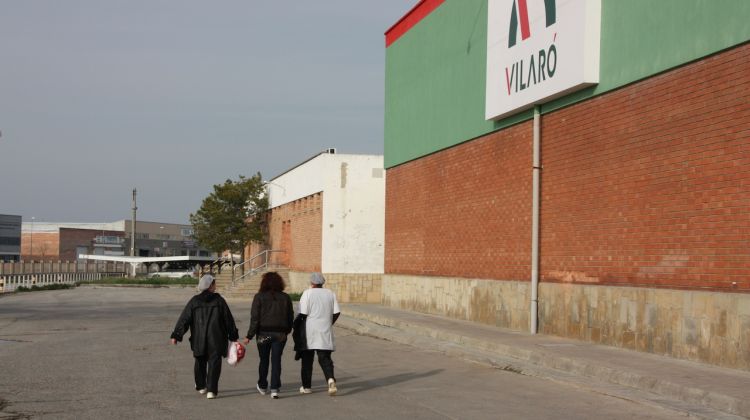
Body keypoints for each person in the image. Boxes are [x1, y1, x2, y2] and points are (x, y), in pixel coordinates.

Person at [170, 274, 239, 400]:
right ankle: (211, 391)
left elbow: (184, 319)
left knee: (200, 360)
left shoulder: (194, 301)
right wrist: (233, 335)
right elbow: (228, 320)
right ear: (210, 285)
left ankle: (201, 386)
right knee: (214, 363)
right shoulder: (219, 301)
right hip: (216, 338)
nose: (215, 285)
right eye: (214, 283)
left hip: (198, 338)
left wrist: (176, 335)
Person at [243, 271, 293, 399]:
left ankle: (263, 385)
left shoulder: (259, 297)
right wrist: (287, 330)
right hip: (280, 335)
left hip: (263, 334)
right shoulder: (285, 297)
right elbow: (290, 317)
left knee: (263, 359)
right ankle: (275, 388)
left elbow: (255, 318)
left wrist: (249, 336)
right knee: (276, 360)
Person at [297, 272, 340, 396]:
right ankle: (330, 379)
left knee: (307, 360)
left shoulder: (307, 293)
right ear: (322, 283)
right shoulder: (330, 293)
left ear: (312, 283)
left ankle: (306, 387)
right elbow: (337, 312)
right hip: (324, 331)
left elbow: (303, 313)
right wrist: (329, 322)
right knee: (325, 358)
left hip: (309, 332)